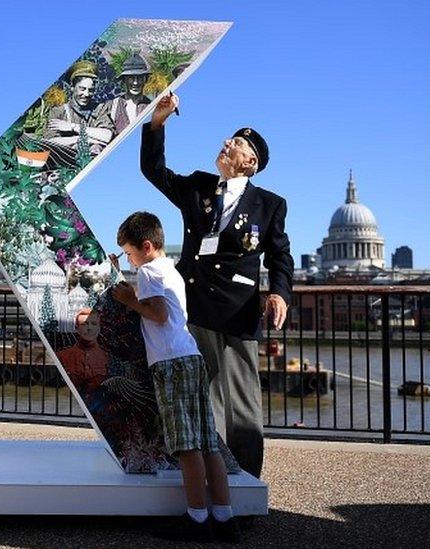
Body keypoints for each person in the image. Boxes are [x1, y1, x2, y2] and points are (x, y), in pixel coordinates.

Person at [140, 92, 294, 479]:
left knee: (242, 404)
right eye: (229, 139)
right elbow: (154, 171)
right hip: (193, 307)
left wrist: (278, 292)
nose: (227, 143)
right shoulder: (198, 187)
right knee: (200, 399)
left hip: (238, 310)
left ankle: (244, 484)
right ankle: (207, 481)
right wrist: (157, 123)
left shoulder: (269, 204)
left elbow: (280, 255)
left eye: (237, 143)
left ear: (251, 161)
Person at [112, 212, 239, 542]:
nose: (129, 260)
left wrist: (128, 299)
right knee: (207, 443)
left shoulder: (150, 272)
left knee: (185, 446)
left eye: (129, 253)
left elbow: (158, 313)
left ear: (146, 246)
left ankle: (197, 518)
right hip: (191, 357)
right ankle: (224, 517)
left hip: (170, 363)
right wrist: (117, 272)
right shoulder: (169, 269)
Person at [44, 60, 114, 154]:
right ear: (72, 87)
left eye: (91, 90)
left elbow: (107, 136)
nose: (86, 94)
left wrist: (73, 127)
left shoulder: (99, 108)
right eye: (82, 89)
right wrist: (82, 139)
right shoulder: (58, 111)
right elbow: (50, 141)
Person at [55, 308, 107, 401]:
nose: (89, 328)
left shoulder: (108, 358)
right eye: (84, 324)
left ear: (99, 328)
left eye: (94, 324)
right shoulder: (61, 356)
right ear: (77, 328)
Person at [105, 52, 153, 135]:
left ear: (145, 80)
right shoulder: (112, 106)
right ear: (124, 80)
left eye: (139, 78)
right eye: (131, 78)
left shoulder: (151, 106)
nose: (135, 83)